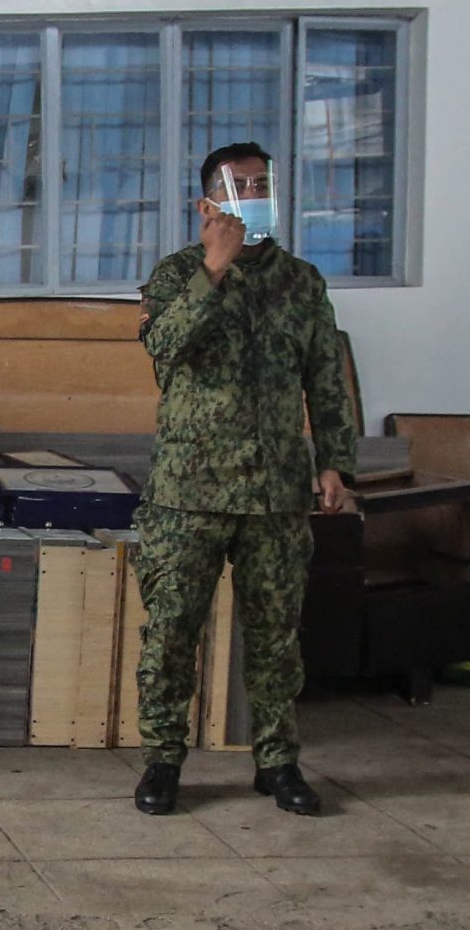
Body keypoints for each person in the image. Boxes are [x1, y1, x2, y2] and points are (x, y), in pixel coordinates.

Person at [131, 142, 358, 818]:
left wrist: (335, 460)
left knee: (276, 636)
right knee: (172, 633)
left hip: (274, 493)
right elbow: (165, 350)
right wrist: (215, 268)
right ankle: (163, 761)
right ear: (208, 203)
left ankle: (278, 761)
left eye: (263, 184)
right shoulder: (175, 276)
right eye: (240, 186)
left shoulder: (302, 283)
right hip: (189, 492)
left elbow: (326, 376)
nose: (254, 195)